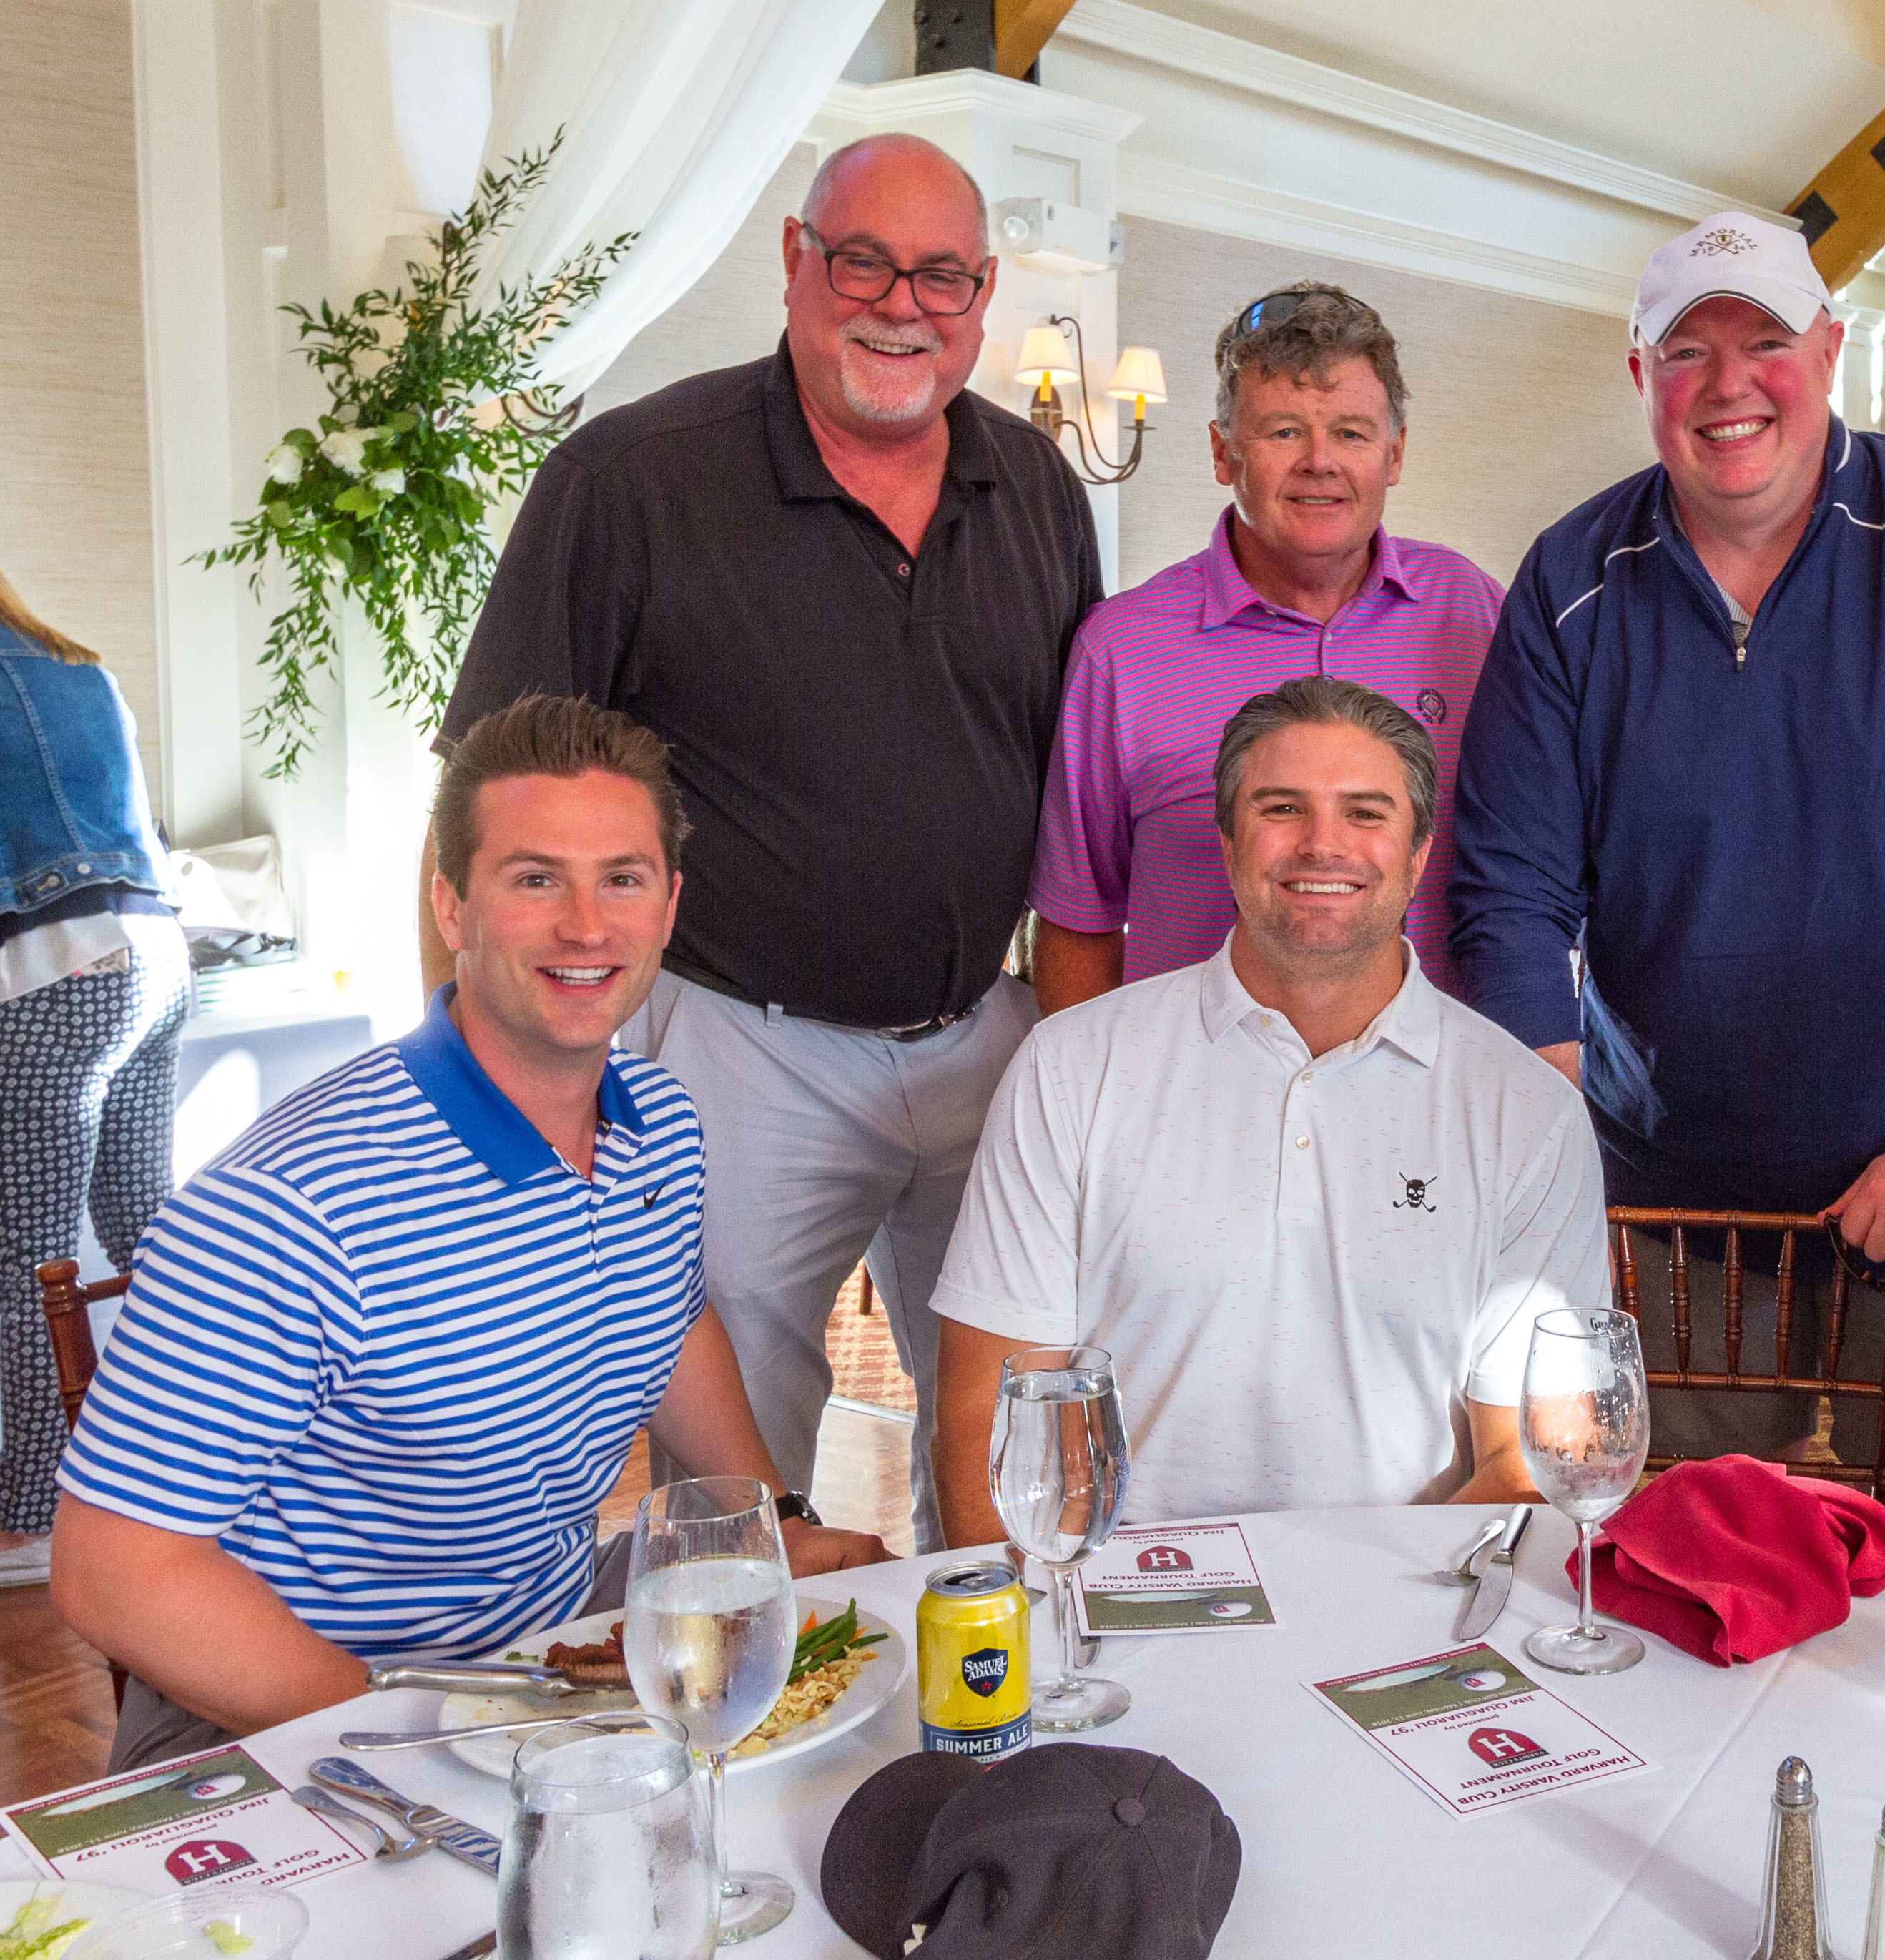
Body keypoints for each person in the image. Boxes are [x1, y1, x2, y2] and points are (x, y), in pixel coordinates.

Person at [435, 133, 1103, 1550]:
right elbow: (489, 793)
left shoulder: (1039, 488)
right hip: (745, 1048)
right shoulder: (630, 479)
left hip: (988, 1034)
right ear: (796, 260)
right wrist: (471, 1071)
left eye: (940, 274)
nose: (901, 304)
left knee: (1013, 1424)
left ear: (983, 295)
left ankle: (991, 1668)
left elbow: (1072, 775)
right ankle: (762, 1680)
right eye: (863, 261)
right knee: (740, 1468)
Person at [56, 696, 887, 1768]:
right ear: (452, 906)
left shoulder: (659, 1122)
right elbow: (114, 1569)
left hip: (540, 1649)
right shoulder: (291, 1203)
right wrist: (412, 1742)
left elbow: (670, 1324)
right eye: (535, 879)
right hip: (293, 1709)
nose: (586, 926)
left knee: (866, 1735)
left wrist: (771, 1527)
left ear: (669, 906)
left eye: (621, 879)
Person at [1448, 210, 1885, 1513]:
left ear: (1827, 351)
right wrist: (1557, 1177)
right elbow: (1509, 899)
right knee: (1682, 1557)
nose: (1729, 384)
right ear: (1640, 374)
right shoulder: (1569, 579)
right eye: (1685, 351)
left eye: (1764, 341)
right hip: (1674, 1215)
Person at [932, 679, 1606, 1531]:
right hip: (1120, 1596)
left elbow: (1533, 1458)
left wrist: (1380, 1605)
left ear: (1418, 854)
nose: (1323, 844)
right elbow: (989, 1424)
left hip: (1409, 1602)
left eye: (1365, 812)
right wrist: (1052, 1611)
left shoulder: (1527, 1111)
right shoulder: (1069, 1069)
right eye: (1282, 808)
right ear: (1227, 843)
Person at [1031, 285, 1499, 1013]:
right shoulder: (1121, 650)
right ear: (1223, 452)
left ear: (1395, 453)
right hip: (1190, 1075)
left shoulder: (1471, 613)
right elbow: (1078, 918)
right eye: (1283, 431)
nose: (1320, 461)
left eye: (1351, 433)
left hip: (1435, 1072)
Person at [0, 573, 190, 1589]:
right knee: (150, 1225)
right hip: (155, 961)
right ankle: (210, 1460)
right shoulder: (79, 665)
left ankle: (34, 1514)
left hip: (51, 977)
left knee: (27, 1260)